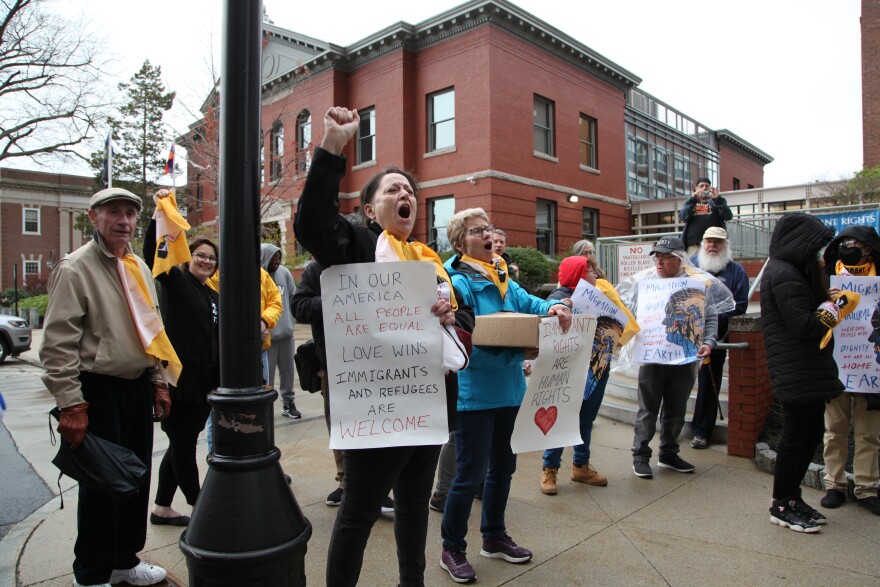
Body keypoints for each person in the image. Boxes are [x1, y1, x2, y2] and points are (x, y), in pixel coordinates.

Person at [293, 106, 474, 587]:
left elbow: (464, 326)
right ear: (370, 209)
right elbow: (311, 225)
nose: (405, 195)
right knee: (359, 512)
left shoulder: (429, 261)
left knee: (414, 510)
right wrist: (333, 146)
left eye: (410, 190)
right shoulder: (354, 243)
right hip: (376, 409)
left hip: (427, 407)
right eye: (393, 189)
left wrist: (453, 316)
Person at [41, 187, 172, 587]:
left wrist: (157, 380)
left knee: (135, 479)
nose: (124, 221)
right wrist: (70, 403)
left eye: (131, 214)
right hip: (96, 390)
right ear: (94, 217)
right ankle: (92, 572)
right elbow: (58, 343)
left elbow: (150, 331)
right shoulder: (75, 268)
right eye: (114, 212)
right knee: (102, 485)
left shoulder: (137, 267)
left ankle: (123, 560)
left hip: (135, 387)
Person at [439, 207, 572, 584]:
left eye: (489, 227)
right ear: (459, 241)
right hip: (474, 395)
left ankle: (493, 536)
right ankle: (452, 548)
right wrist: (521, 351)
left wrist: (555, 306)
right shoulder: (456, 282)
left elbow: (530, 304)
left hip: (510, 392)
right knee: (468, 476)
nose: (487, 233)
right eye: (478, 230)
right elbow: (464, 343)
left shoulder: (502, 277)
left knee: (504, 470)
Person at [290, 255, 395, 514]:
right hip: (335, 366)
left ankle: (378, 488)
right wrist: (335, 298)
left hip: (375, 365)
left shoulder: (378, 263)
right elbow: (298, 306)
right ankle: (346, 483)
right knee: (341, 427)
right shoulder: (317, 269)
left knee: (377, 426)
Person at [617, 236, 725, 480]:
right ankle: (640, 455)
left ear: (679, 259)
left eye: (666, 257)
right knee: (648, 410)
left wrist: (708, 342)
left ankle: (668, 453)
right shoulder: (644, 284)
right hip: (653, 359)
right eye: (657, 256)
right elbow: (629, 316)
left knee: (676, 410)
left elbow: (710, 318)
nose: (660, 262)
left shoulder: (697, 284)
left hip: (684, 358)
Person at [761, 212, 843, 533]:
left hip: (806, 370)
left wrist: (825, 302)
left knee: (809, 436)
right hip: (796, 370)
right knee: (796, 439)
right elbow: (804, 325)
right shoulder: (783, 273)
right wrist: (830, 310)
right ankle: (781, 503)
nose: (820, 255)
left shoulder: (790, 271)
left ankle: (793, 498)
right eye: (817, 247)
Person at [143, 191, 220, 527]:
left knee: (180, 443)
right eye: (201, 255)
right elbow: (152, 254)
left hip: (205, 384)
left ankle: (161, 508)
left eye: (211, 259)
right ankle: (202, 508)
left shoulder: (212, 293)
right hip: (179, 384)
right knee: (183, 445)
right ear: (189, 257)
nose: (206, 261)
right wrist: (159, 216)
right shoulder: (175, 281)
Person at [540, 254, 638, 495]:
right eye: (592, 272)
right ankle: (549, 468)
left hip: (596, 367)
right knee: (560, 419)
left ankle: (580, 466)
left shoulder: (600, 296)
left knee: (586, 420)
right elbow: (546, 330)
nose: (597, 275)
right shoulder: (558, 298)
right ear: (579, 274)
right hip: (567, 371)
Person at [820, 226, 880, 515]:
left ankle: (867, 488)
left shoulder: (879, 274)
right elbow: (812, 312)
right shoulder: (826, 274)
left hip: (871, 367)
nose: (849, 247)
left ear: (868, 248)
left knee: (869, 433)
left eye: (855, 243)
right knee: (834, 430)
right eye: (845, 242)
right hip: (836, 364)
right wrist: (824, 297)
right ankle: (835, 484)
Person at [689, 227, 749, 449]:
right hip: (684, 336)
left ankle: (702, 431)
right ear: (702, 243)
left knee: (708, 385)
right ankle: (671, 426)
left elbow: (740, 305)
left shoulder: (736, 272)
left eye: (717, 242)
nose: (712, 245)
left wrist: (712, 316)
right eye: (709, 241)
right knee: (675, 383)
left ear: (725, 245)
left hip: (716, 338)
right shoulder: (689, 266)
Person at [260, 243, 301, 419]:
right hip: (266, 336)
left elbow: (293, 297)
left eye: (278, 258)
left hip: (286, 333)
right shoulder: (258, 277)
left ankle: (288, 403)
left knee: (288, 373)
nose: (277, 261)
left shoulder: (284, 273)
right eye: (273, 258)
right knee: (265, 376)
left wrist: (291, 320)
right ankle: (265, 406)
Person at [679, 176, 733, 255]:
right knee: (692, 267)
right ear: (696, 188)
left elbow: (728, 216)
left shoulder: (716, 203)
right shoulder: (691, 203)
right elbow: (683, 217)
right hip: (694, 246)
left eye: (707, 186)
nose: (704, 188)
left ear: (710, 188)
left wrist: (718, 199)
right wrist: (692, 199)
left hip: (714, 245)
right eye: (701, 186)